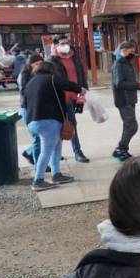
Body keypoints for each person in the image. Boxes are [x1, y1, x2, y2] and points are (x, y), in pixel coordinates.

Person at [22, 60, 85, 191]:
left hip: (32, 121)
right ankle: (38, 180)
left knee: (56, 146)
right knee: (46, 150)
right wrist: (81, 89)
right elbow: (67, 84)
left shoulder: (30, 83)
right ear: (51, 70)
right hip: (48, 121)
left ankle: (57, 174)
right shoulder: (51, 79)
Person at [49, 35, 90, 163]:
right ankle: (77, 152)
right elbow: (54, 80)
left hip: (76, 94)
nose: (65, 45)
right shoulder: (52, 60)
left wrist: (84, 92)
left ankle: (52, 151)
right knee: (69, 124)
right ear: (56, 45)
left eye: (67, 42)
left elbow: (82, 75)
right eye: (62, 43)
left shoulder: (75, 57)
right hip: (63, 96)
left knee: (67, 124)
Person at [111, 40, 140, 162]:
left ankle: (122, 149)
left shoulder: (126, 63)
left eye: (134, 51)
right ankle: (120, 149)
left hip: (130, 99)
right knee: (132, 126)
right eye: (131, 51)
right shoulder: (119, 64)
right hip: (123, 99)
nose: (133, 54)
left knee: (128, 125)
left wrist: (139, 86)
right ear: (123, 51)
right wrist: (138, 84)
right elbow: (119, 83)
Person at [19, 54, 43, 167]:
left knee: (40, 137)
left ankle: (29, 152)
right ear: (30, 64)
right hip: (28, 109)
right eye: (36, 64)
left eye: (40, 63)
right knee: (37, 137)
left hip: (37, 108)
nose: (38, 65)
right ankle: (39, 164)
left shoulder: (40, 73)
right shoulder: (25, 74)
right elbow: (24, 91)